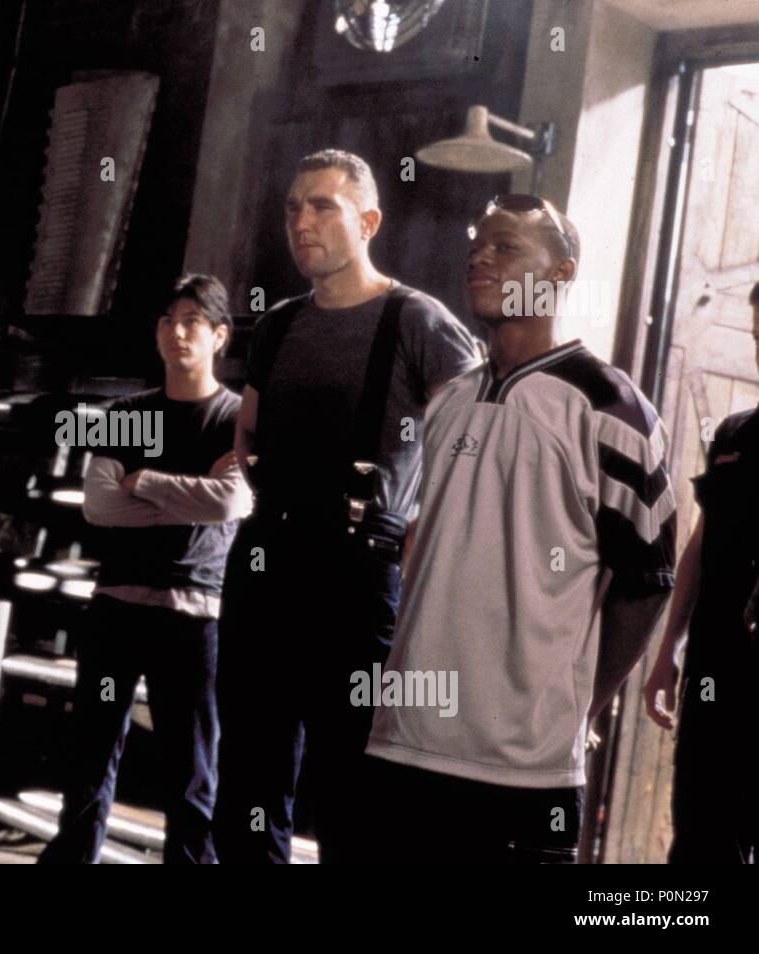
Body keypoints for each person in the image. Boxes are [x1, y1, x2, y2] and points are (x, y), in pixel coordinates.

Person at [364, 194, 676, 863]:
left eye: (505, 247)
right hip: (403, 743)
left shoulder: (613, 408)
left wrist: (577, 707)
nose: (480, 257)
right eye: (477, 245)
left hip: (525, 771)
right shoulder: (448, 399)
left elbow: (648, 580)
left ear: (562, 272)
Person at [213, 150, 480, 863]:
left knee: (349, 786)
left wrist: (426, 559)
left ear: (368, 221)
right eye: (293, 207)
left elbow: (470, 453)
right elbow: (248, 431)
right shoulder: (278, 325)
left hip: (358, 574)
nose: (301, 222)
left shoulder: (418, 321)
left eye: (322, 206)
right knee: (248, 779)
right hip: (267, 560)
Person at [39, 275, 251, 864]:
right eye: (167, 321)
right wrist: (188, 496)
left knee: (192, 771)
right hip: (117, 607)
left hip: (193, 614)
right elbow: (100, 505)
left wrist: (145, 481)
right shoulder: (126, 415)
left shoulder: (238, 417)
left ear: (219, 336)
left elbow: (230, 501)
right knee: (88, 760)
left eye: (192, 322)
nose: (177, 332)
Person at [643, 279, 759, 864]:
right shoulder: (735, 434)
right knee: (699, 835)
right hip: (714, 665)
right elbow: (700, 542)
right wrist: (669, 648)